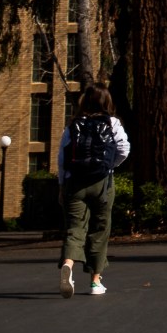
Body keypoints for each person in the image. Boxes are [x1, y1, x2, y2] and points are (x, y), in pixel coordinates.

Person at [56, 83, 130, 298]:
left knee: (75, 229)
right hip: (102, 183)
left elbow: (62, 159)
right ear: (107, 101)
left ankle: (68, 265)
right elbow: (124, 149)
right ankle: (95, 282)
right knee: (100, 229)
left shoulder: (72, 125)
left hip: (74, 182)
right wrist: (110, 166)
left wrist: (62, 185)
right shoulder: (112, 123)